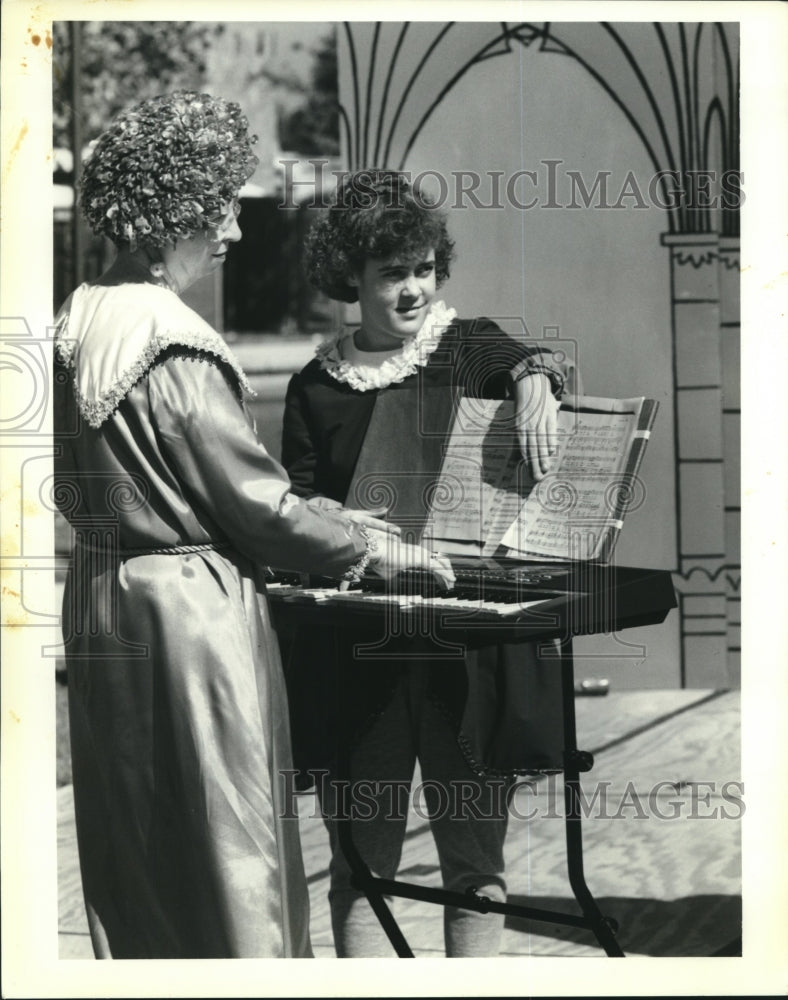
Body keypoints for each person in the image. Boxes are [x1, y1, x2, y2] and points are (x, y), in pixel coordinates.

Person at [53, 95, 451, 960]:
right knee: (234, 850)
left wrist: (311, 510)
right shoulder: (171, 339)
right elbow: (256, 508)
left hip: (102, 600)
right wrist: (371, 543)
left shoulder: (78, 320)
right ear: (179, 211)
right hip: (189, 614)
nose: (234, 228)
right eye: (224, 204)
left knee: (142, 849)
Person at [281, 170, 574, 957]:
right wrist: (340, 527)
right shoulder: (315, 386)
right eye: (390, 273)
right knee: (360, 869)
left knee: (475, 870)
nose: (412, 289)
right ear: (352, 277)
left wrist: (538, 383)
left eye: (421, 269)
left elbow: (523, 362)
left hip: (464, 656)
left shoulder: (466, 342)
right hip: (359, 657)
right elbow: (296, 512)